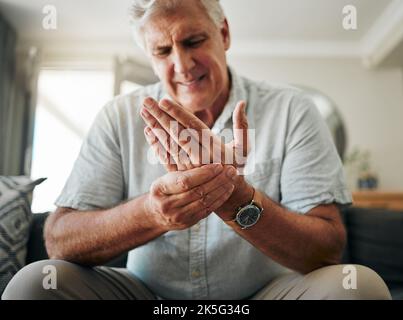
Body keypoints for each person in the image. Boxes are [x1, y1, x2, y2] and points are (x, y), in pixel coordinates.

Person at [2, 0, 391, 300]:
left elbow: (328, 248)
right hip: (146, 293)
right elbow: (59, 240)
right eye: (162, 51)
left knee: (359, 287)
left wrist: (235, 199)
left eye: (193, 41)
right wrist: (153, 213)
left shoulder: (292, 110)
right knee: (36, 284)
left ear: (223, 34)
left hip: (265, 293)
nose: (182, 64)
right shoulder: (119, 116)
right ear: (150, 57)